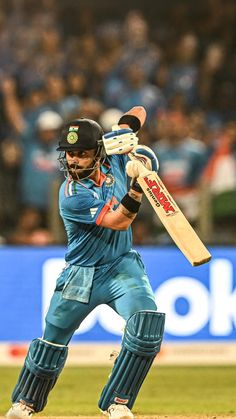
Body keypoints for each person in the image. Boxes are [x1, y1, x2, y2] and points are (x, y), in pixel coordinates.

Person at [6, 117, 165, 419]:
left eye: (81, 153)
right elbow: (119, 221)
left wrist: (128, 131)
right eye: (69, 153)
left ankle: (118, 402)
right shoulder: (71, 195)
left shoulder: (115, 158)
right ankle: (24, 403)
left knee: (147, 328)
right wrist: (136, 188)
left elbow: (139, 111)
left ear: (98, 153)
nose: (74, 160)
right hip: (81, 275)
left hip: (121, 268)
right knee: (52, 340)